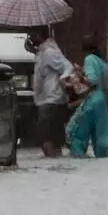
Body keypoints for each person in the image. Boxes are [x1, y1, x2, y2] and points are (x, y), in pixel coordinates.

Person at [66, 35, 108, 158]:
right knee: (99, 139)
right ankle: (101, 167)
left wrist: (80, 76)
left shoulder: (89, 59)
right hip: (104, 102)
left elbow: (92, 80)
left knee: (75, 134)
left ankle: (78, 164)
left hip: (93, 101)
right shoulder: (102, 62)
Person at [27, 25, 74, 158]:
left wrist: (63, 80)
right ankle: (55, 162)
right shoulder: (43, 52)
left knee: (44, 136)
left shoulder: (49, 52)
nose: (30, 37)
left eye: (32, 34)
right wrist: (34, 51)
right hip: (46, 99)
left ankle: (53, 160)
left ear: (39, 35)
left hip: (51, 99)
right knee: (50, 137)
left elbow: (68, 66)